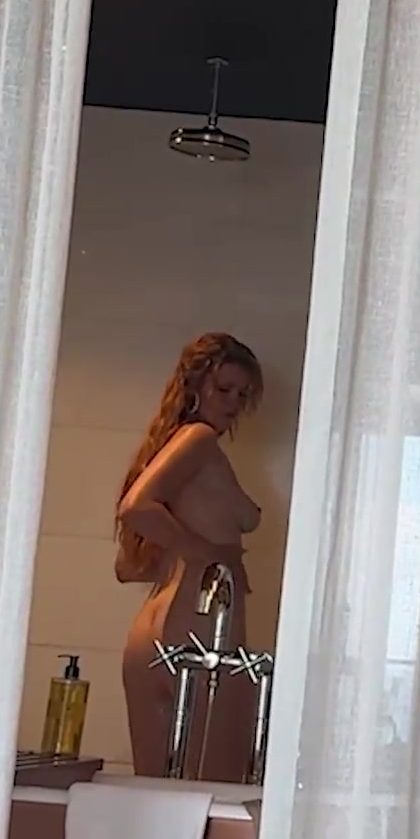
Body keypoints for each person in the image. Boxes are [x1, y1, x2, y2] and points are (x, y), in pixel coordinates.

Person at [115, 332, 264, 780]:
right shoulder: (197, 440)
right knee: (213, 793)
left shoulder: (172, 446)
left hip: (152, 634)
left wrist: (191, 551)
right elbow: (136, 508)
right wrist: (213, 555)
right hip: (197, 629)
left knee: (156, 793)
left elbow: (127, 567)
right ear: (195, 385)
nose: (233, 402)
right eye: (224, 389)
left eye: (242, 394)